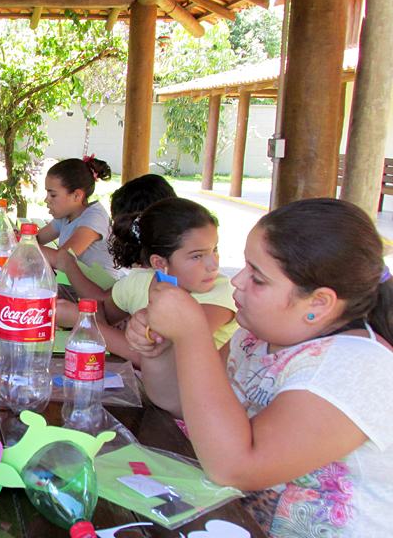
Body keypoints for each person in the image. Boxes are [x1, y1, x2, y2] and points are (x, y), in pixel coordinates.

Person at [130, 198, 393, 537]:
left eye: (258, 278)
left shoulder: (356, 368)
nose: (237, 281)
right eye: (245, 266)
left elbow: (235, 467)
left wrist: (193, 334)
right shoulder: (254, 338)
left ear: (319, 302)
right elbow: (181, 401)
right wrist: (158, 349)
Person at [85, 198, 237, 366]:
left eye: (215, 249)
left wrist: (83, 322)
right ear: (159, 263)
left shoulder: (222, 293)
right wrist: (88, 319)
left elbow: (160, 354)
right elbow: (102, 313)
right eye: (197, 256)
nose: (213, 265)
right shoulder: (138, 282)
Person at [55, 173, 178, 304]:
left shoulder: (147, 278)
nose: (114, 232)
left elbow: (102, 302)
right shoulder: (149, 271)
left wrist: (69, 265)